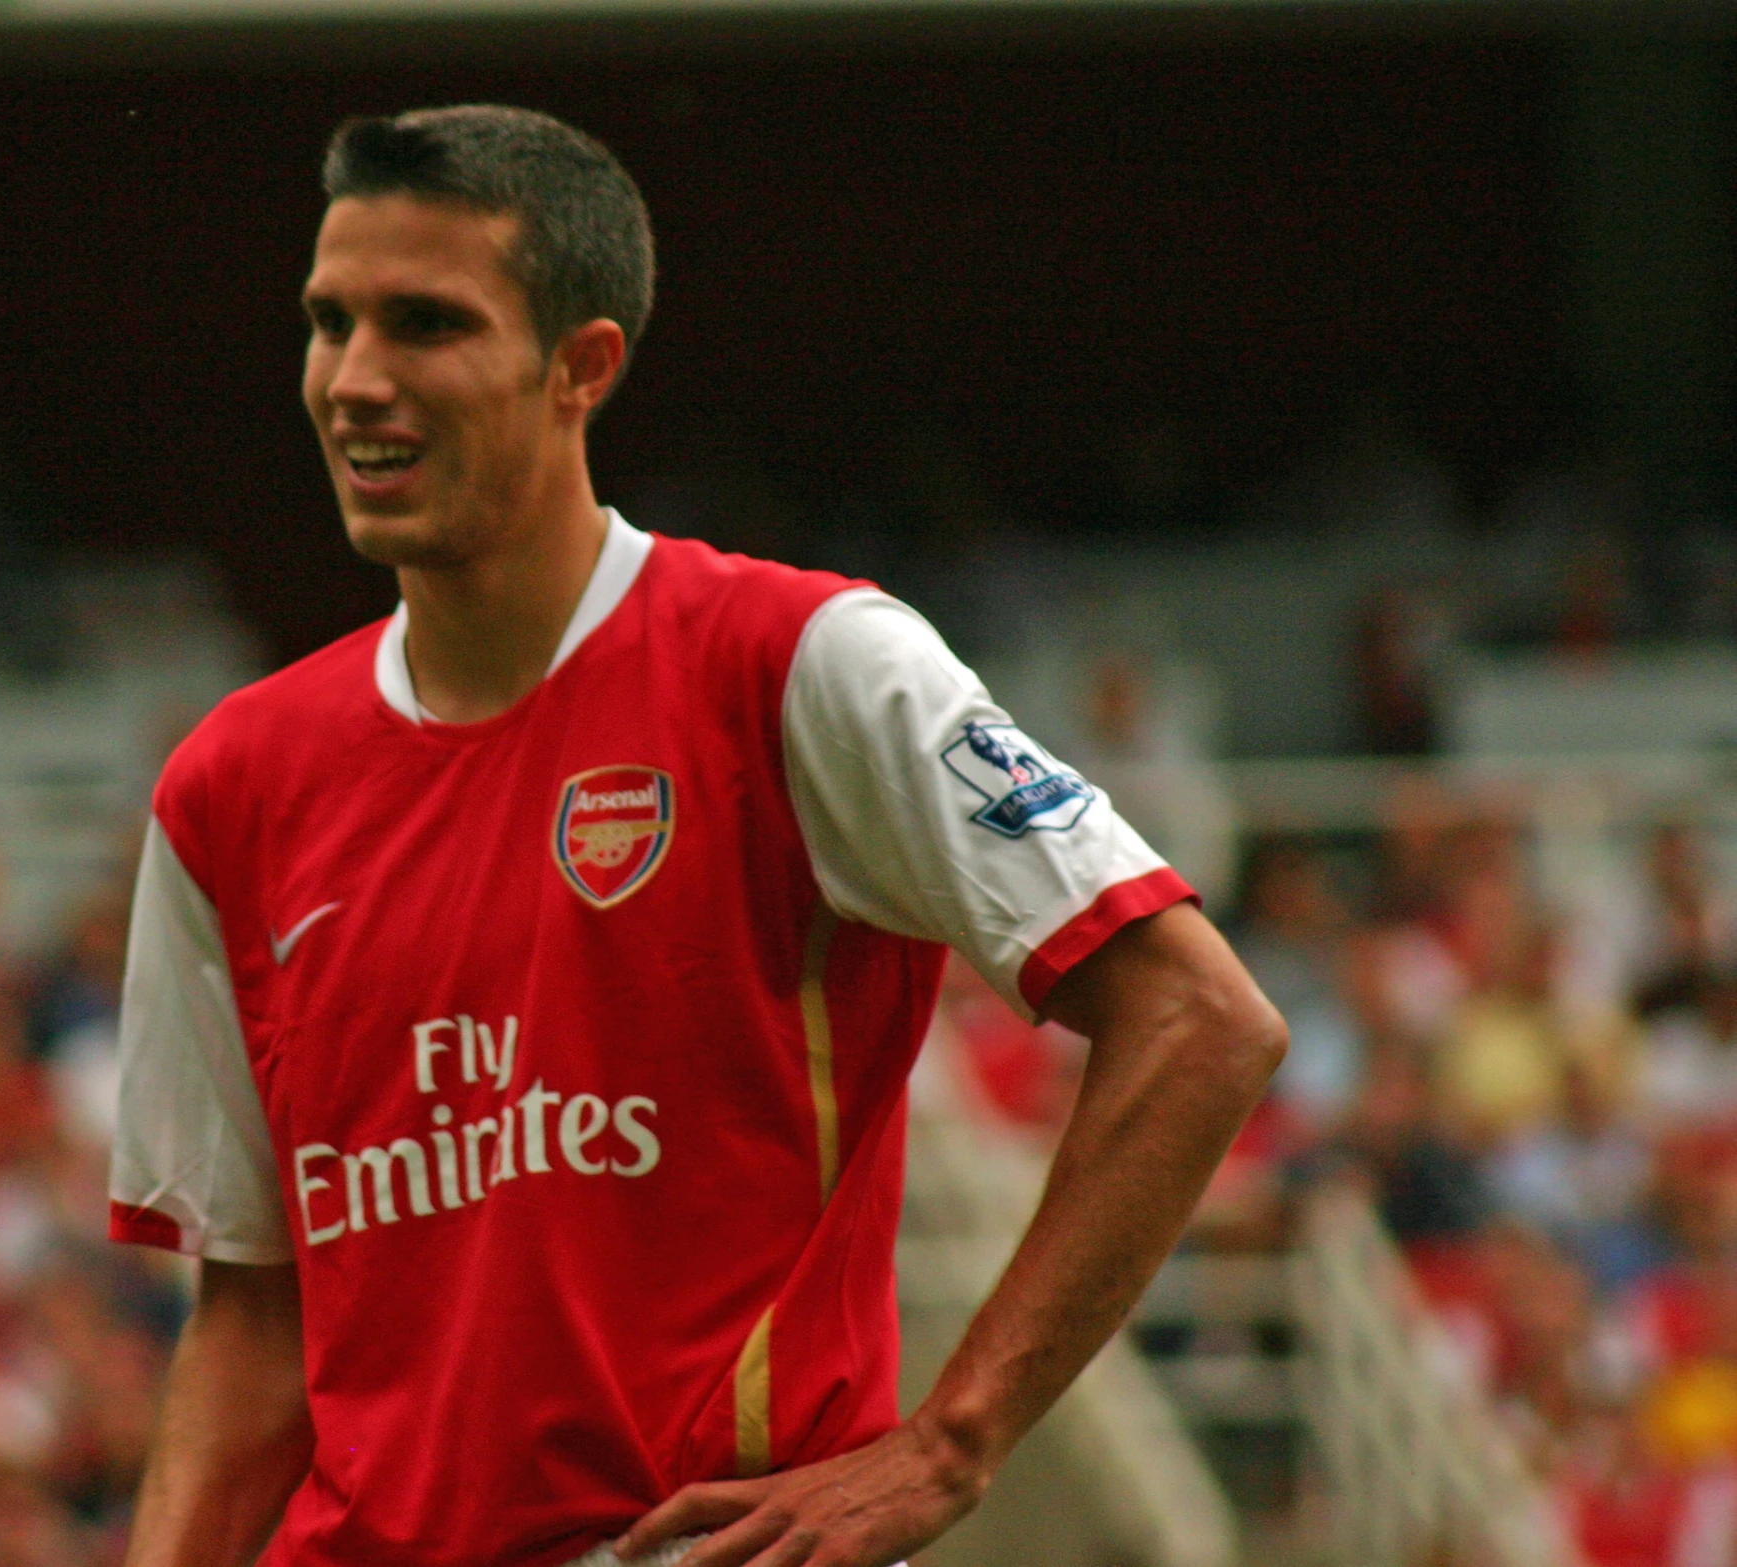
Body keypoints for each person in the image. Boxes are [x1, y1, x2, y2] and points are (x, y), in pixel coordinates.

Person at [108, 105, 1286, 1567]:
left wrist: (947, 1443)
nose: (353, 380)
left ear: (579, 369)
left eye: (424, 324)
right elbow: (256, 1316)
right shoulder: (231, 785)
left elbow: (1198, 1017)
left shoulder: (803, 663)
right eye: (327, 321)